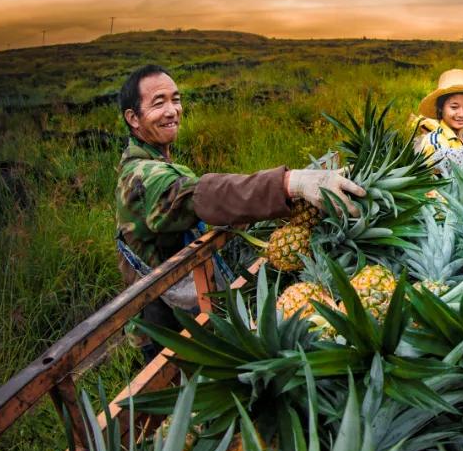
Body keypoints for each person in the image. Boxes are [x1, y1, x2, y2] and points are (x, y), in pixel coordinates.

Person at [115, 64, 365, 356]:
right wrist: (290, 182)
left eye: (176, 99)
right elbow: (200, 195)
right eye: (159, 103)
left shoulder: (157, 161)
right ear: (133, 118)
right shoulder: (141, 175)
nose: (172, 110)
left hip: (185, 306)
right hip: (165, 325)